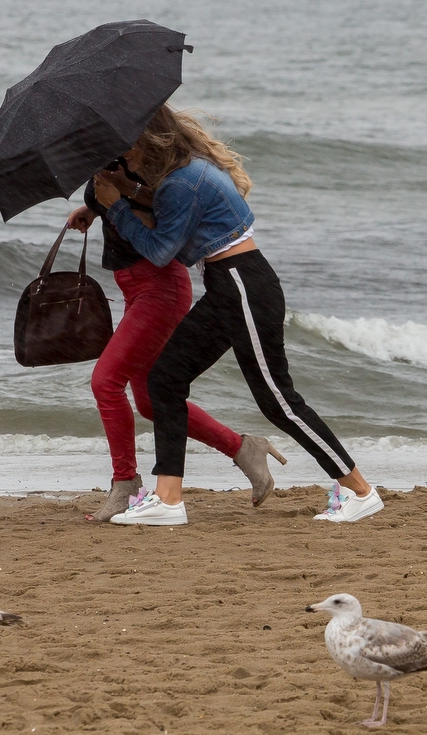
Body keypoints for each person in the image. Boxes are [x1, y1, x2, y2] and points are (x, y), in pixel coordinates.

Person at [92, 105, 382, 526]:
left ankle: (360, 490)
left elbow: (160, 252)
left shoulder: (180, 183)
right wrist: (126, 192)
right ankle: (168, 500)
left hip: (242, 284)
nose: (126, 158)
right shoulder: (190, 170)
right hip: (229, 284)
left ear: (151, 144)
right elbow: (178, 224)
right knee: (165, 380)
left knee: (278, 402)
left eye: (130, 149)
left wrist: (117, 207)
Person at [66, 150, 285, 523]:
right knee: (151, 402)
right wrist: (94, 208)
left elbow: (157, 214)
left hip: (160, 290)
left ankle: (126, 484)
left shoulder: (139, 162)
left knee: (106, 382)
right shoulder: (108, 157)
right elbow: (127, 205)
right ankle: (244, 448)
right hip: (135, 289)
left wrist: (115, 200)